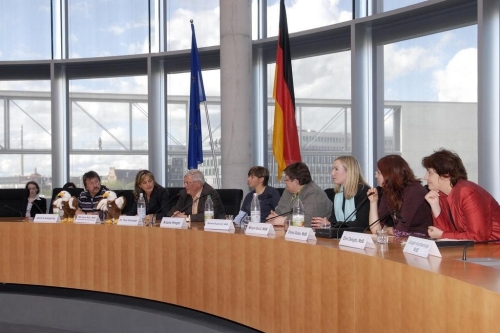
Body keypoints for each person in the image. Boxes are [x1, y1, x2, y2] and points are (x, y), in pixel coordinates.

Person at [422, 149, 500, 241]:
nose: (425, 177)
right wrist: (435, 206)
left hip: (493, 249)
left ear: (446, 174)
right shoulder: (441, 194)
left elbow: (477, 236)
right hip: (474, 249)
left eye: (430, 172)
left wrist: (441, 235)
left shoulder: (467, 192)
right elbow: (447, 233)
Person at [367, 155, 432, 237]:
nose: (376, 176)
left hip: (421, 241)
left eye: (379, 173)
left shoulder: (413, 190)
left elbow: (399, 231)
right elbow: (375, 229)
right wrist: (373, 202)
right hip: (403, 240)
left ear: (390, 174)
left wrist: (386, 230)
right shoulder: (389, 191)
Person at [311, 156, 370, 229]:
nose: (332, 173)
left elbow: (361, 223)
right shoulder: (338, 192)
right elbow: (333, 219)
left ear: (349, 171)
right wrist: (325, 224)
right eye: (333, 169)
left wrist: (332, 225)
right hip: (341, 236)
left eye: (336, 169)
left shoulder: (364, 191)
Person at [267, 162, 332, 228]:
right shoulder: (288, 190)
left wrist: (284, 220)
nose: (284, 182)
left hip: (312, 235)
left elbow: (308, 221)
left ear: (296, 182)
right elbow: (279, 212)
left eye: (286, 179)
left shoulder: (315, 194)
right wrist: (273, 217)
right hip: (287, 231)